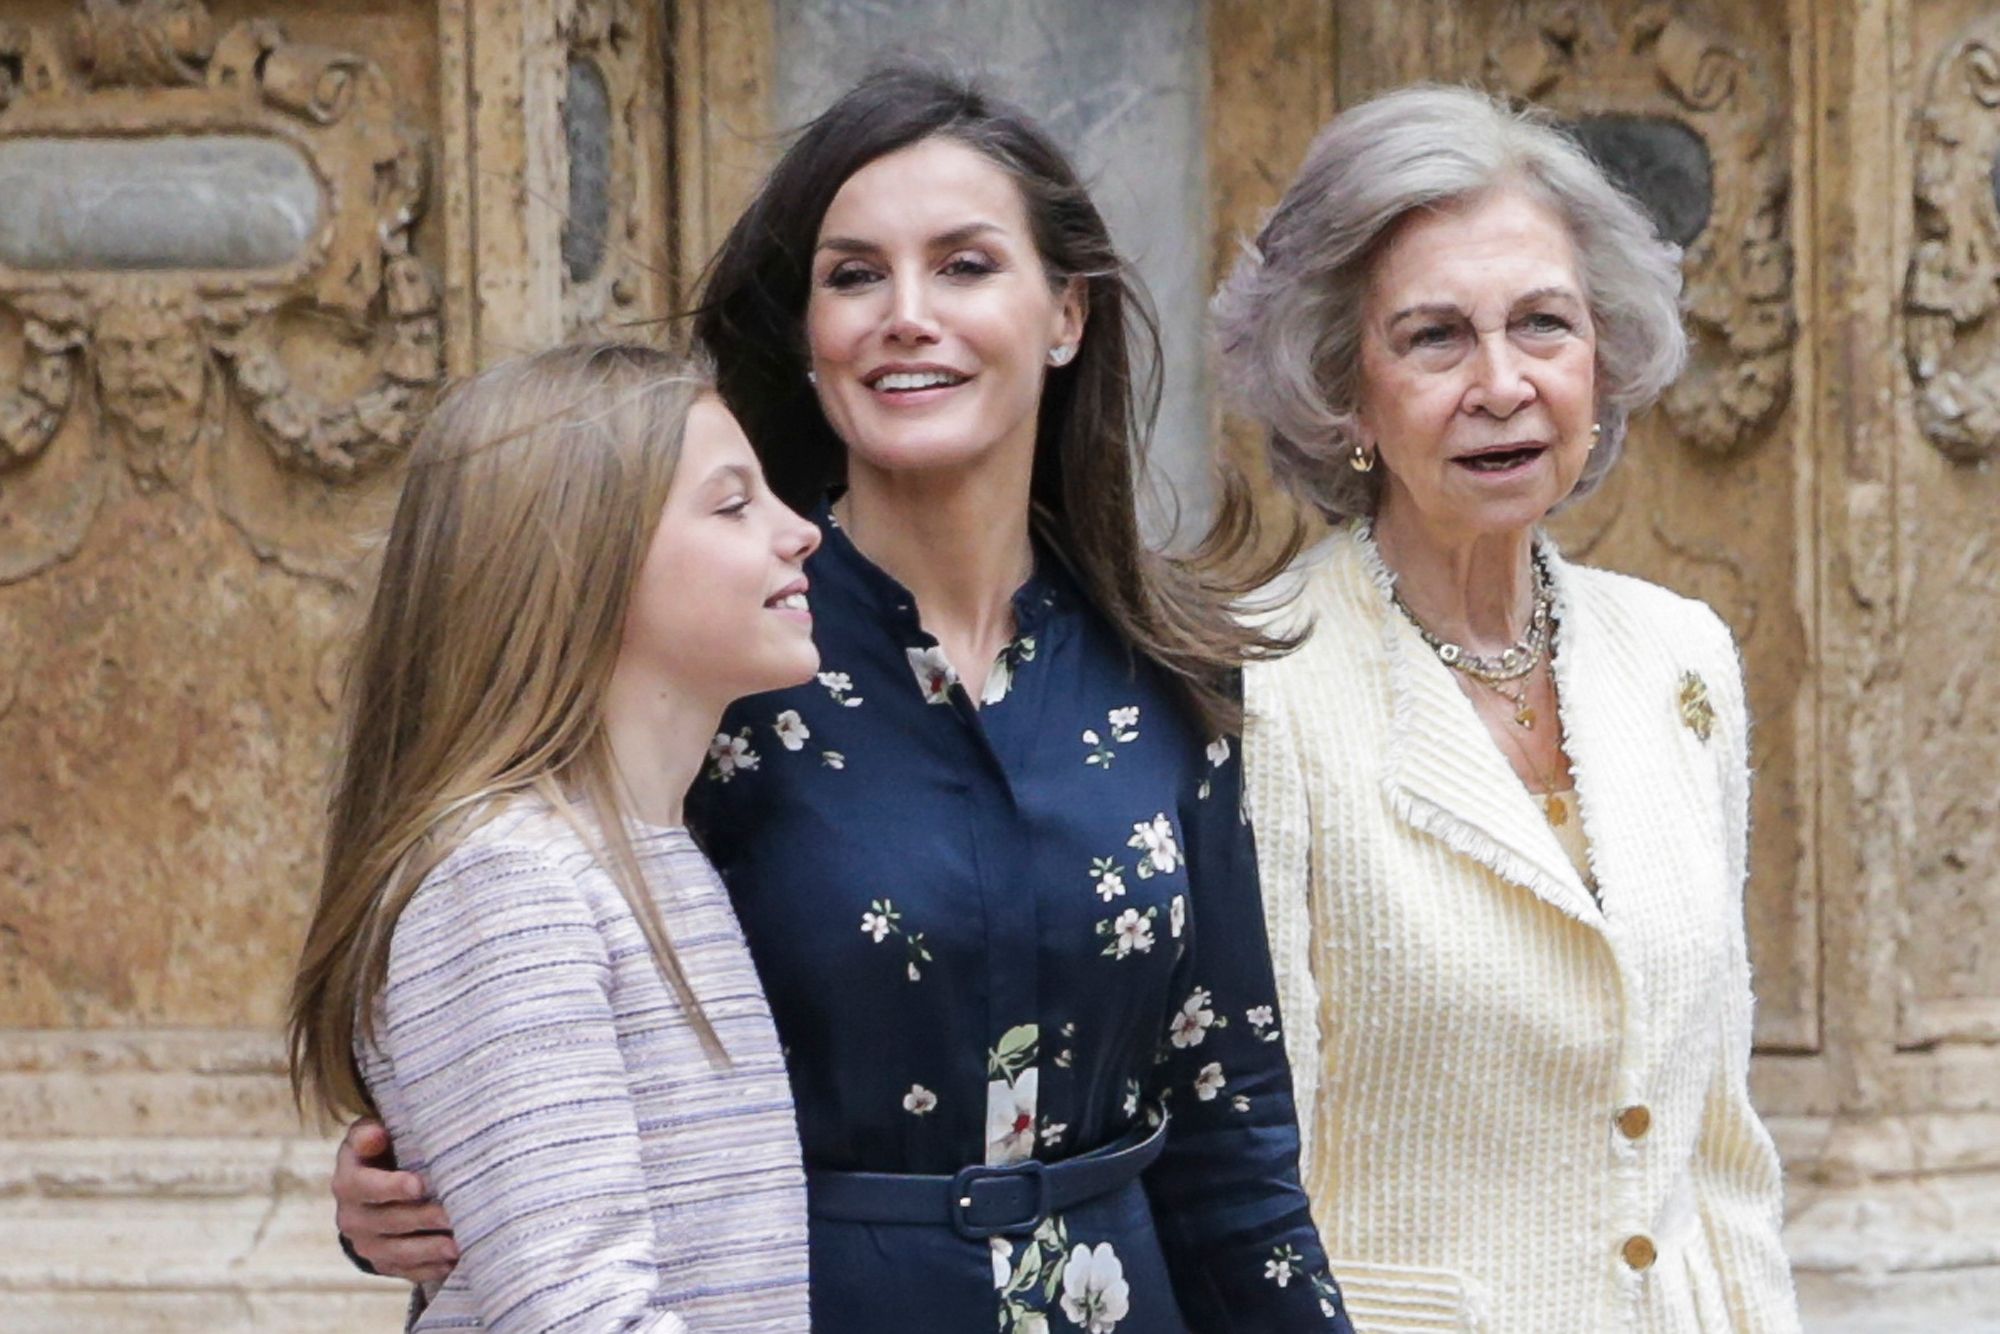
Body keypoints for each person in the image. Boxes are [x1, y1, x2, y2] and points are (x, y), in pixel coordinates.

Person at [329, 67, 1349, 1334]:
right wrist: (402, 1188)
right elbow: (527, 1039)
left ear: (1063, 315)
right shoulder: (715, 656)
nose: (904, 315)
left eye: (966, 266)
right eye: (854, 274)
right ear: (807, 335)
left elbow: (1230, 1138)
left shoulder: (1164, 667)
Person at [1212, 85, 1802, 1332]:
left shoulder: (1676, 656)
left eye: (1543, 323)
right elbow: (1246, 1167)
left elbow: (1718, 1139)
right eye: (1432, 338)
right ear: (1342, 389)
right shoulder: (1260, 681)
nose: (1501, 383)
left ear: (1601, 357)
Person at [288, 343, 820, 1331]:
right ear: (582, 561)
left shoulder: (644, 855)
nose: (799, 532)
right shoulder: (509, 883)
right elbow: (575, 1312)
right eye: (732, 502)